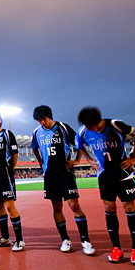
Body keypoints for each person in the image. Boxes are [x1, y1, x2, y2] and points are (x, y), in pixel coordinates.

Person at [75, 107, 135, 265]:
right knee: (109, 209)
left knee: (129, 208)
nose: (86, 128)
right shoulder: (82, 132)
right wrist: (89, 160)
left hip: (122, 171)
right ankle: (116, 249)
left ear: (97, 122)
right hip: (104, 175)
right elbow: (79, 145)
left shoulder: (116, 125)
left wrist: (134, 156)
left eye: (89, 125)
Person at [31, 106, 95, 255]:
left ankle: (85, 240)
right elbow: (34, 148)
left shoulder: (63, 127)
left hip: (65, 173)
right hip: (50, 175)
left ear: (50, 116)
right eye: (39, 120)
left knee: (74, 204)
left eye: (44, 119)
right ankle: (65, 239)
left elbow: (79, 142)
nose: (42, 123)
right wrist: (41, 163)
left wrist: (77, 160)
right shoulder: (36, 132)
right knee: (57, 206)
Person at [0, 110, 25, 252]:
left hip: (5, 171)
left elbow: (15, 153)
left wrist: (10, 169)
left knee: (9, 206)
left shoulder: (7, 134)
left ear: (0, 121)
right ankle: (5, 238)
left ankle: (19, 240)